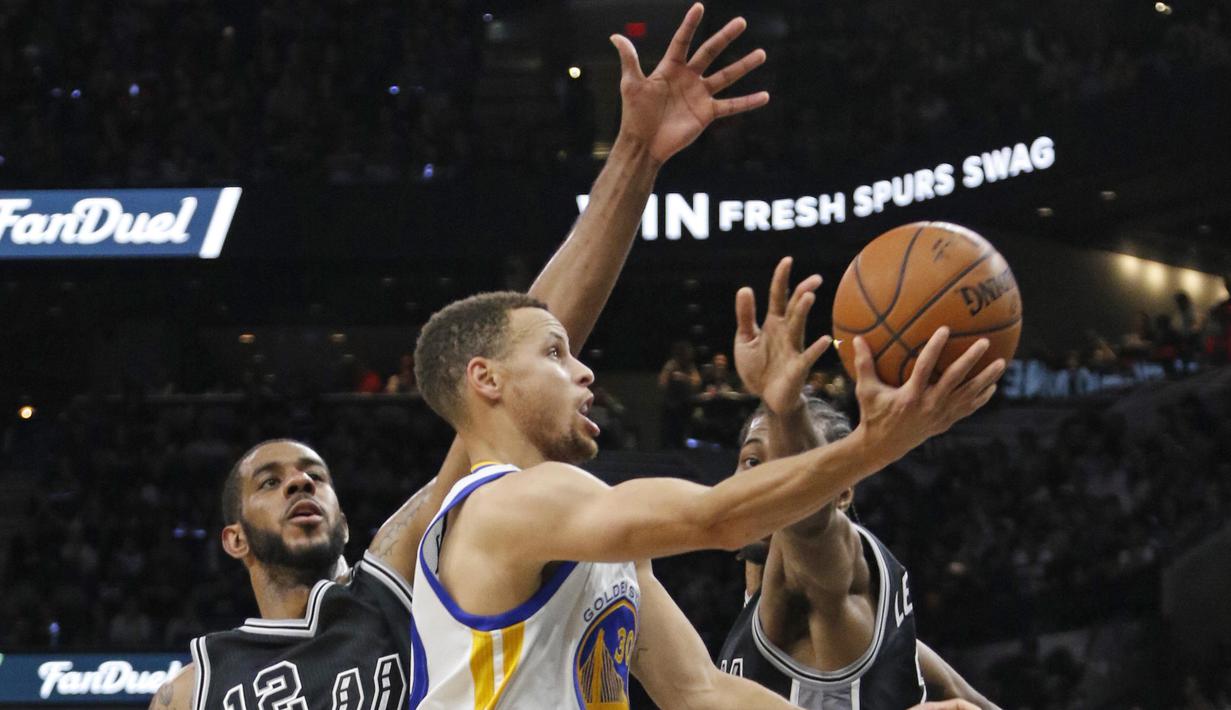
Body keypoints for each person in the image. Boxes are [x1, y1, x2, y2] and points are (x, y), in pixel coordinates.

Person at [148, 4, 775, 708]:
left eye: (314, 475)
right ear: (234, 540)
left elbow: (521, 343)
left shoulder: (388, 587)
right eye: (270, 480)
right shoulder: (194, 689)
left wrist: (634, 155)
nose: (300, 486)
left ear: (345, 521)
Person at [409, 255, 1004, 707]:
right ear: (486, 379)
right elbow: (717, 519)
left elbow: (699, 691)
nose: (585, 370)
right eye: (556, 354)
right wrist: (878, 442)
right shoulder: (502, 503)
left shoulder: (601, 550)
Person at [716, 264, 999, 708]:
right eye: (751, 461)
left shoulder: (824, 571)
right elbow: (940, 679)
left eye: (788, 464)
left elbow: (807, 519)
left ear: (843, 493)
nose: (764, 480)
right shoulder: (806, 601)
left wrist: (785, 407)